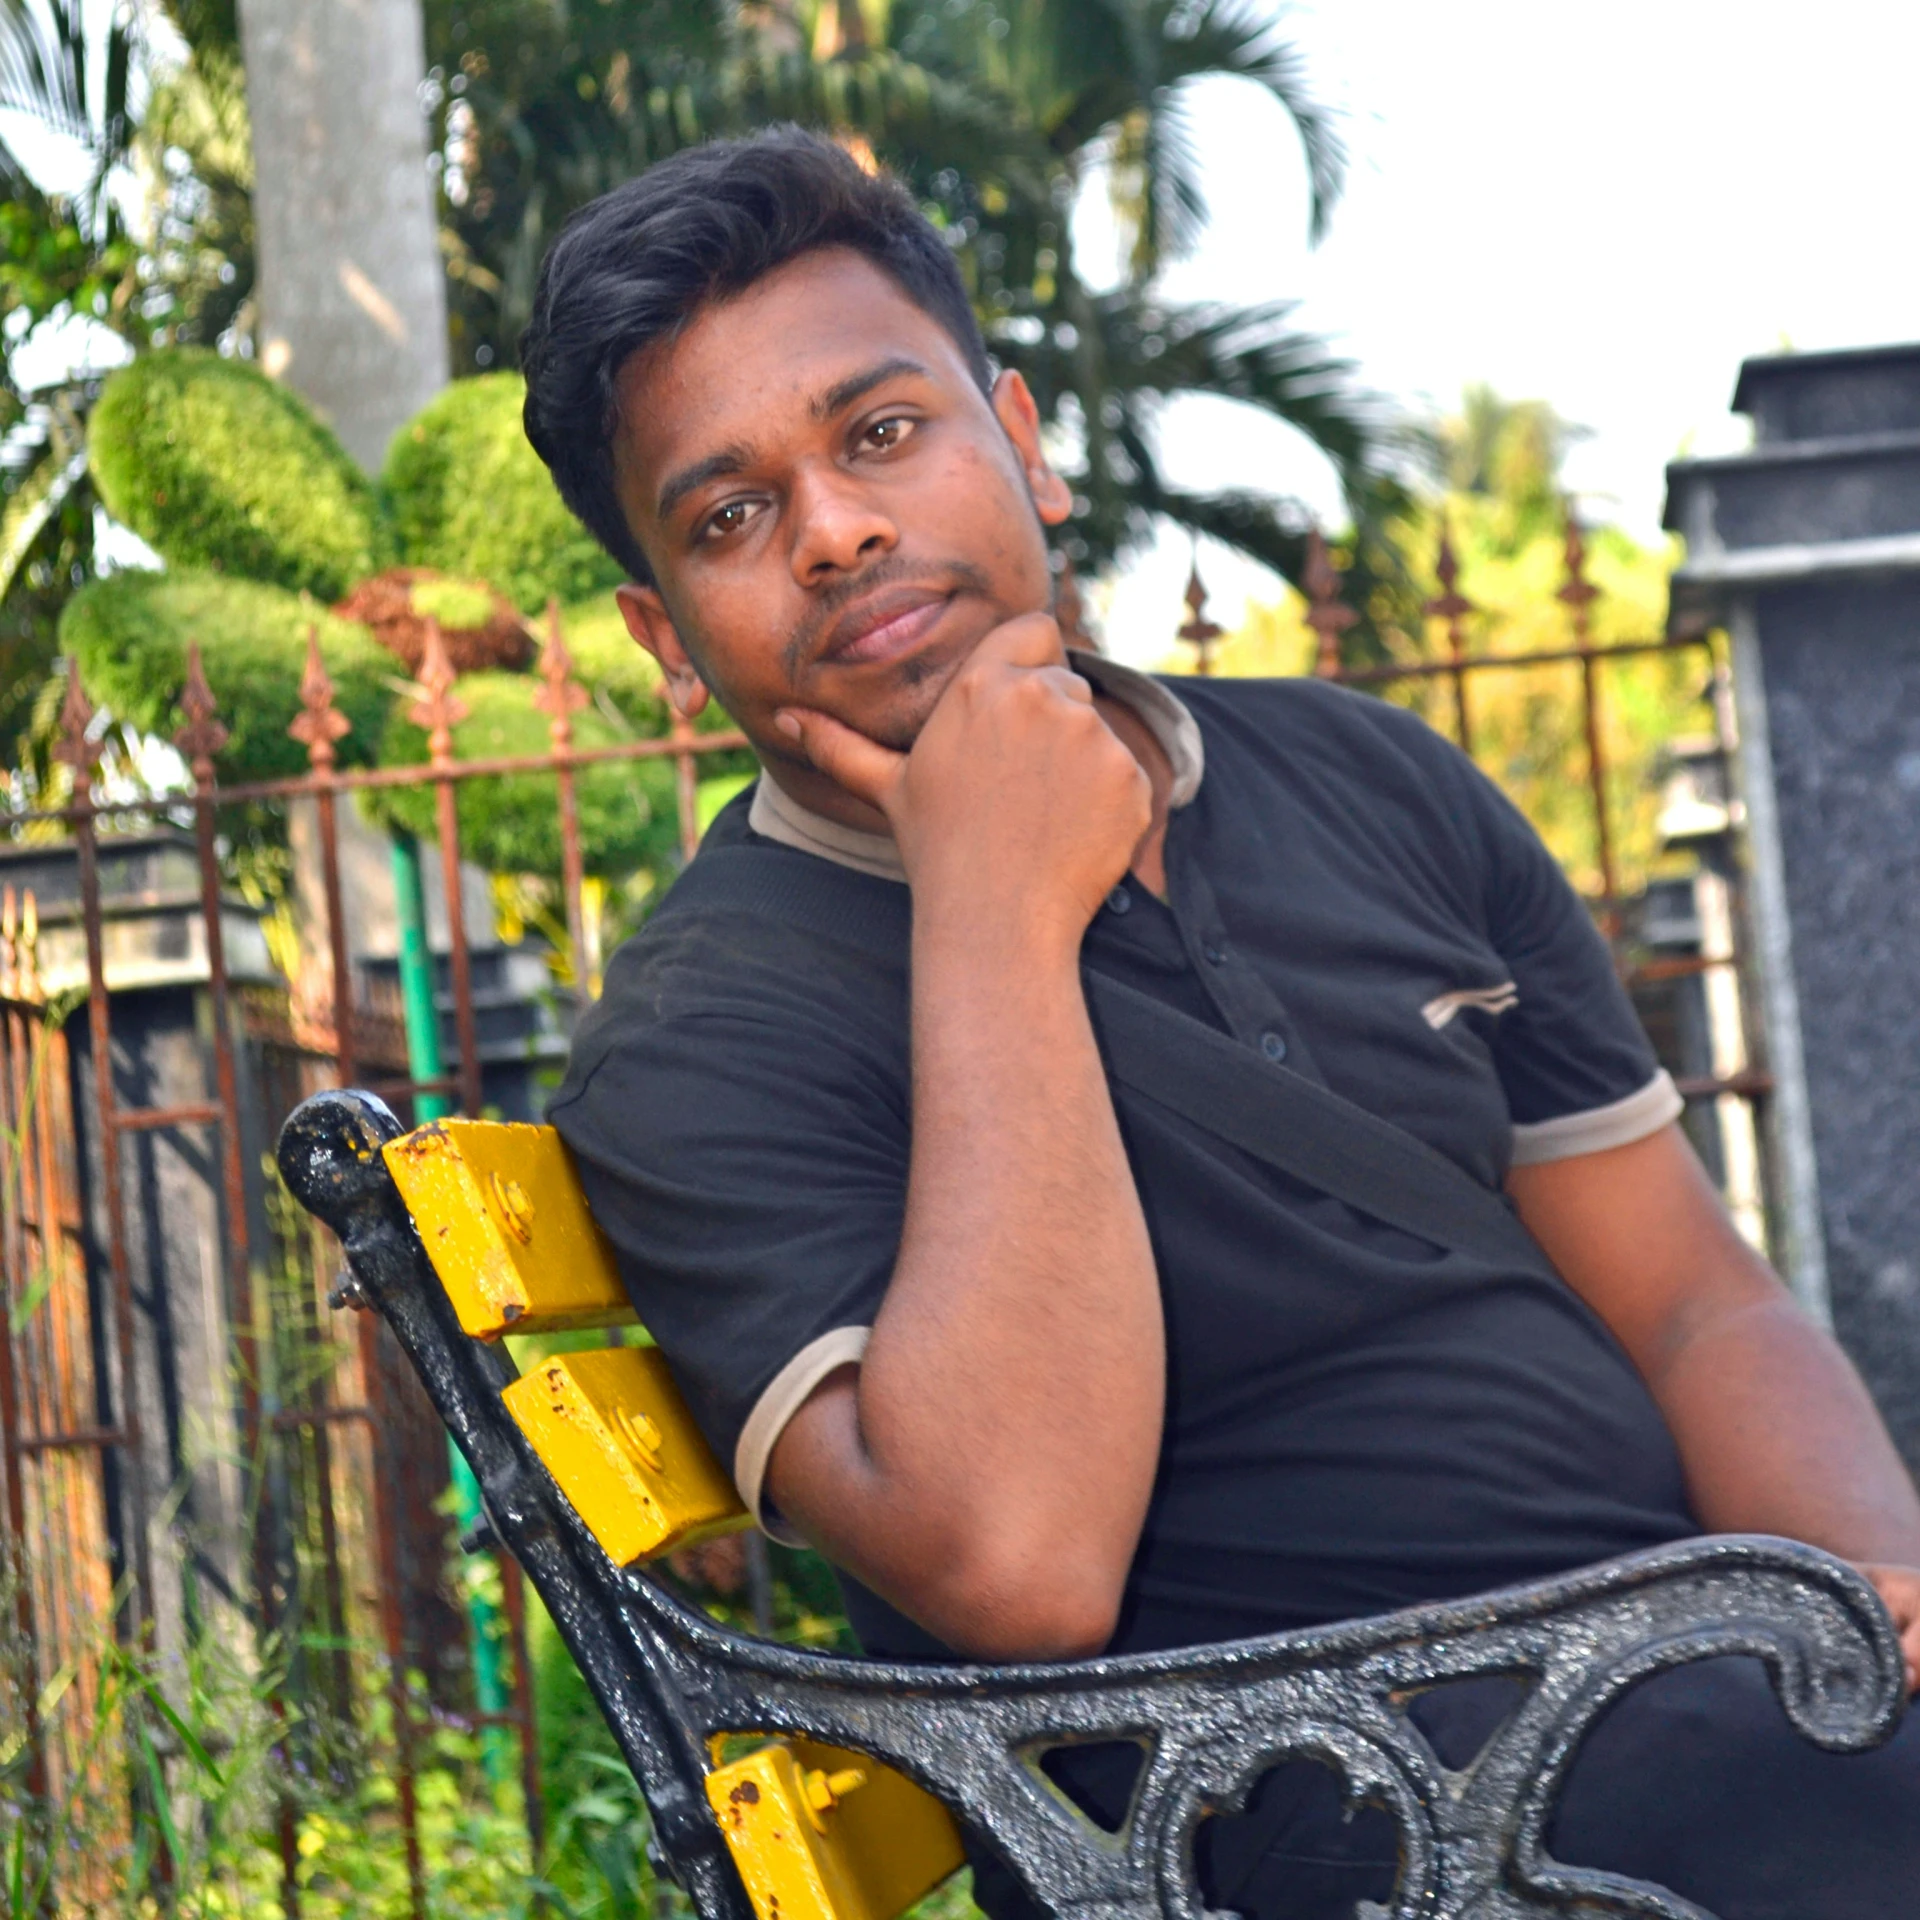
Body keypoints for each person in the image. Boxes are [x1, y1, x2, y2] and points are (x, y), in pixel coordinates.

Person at [521, 127, 1920, 1918]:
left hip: (1678, 1695)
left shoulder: (1367, 780)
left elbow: (1692, 1297)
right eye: (730, 515)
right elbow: (1020, 1569)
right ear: (663, 631)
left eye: (881, 433)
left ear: (1016, 440)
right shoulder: (707, 1032)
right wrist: (998, 913)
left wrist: (1867, 1602)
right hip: (1286, 1804)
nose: (837, 529)